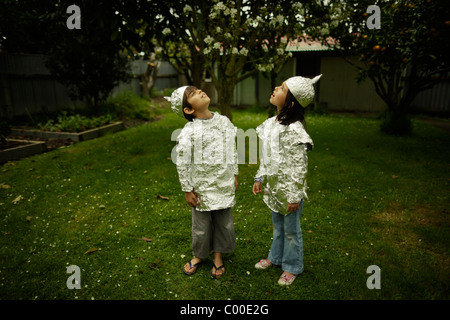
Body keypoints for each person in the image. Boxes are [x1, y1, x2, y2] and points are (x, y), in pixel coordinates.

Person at [252, 75, 321, 286]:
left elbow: (300, 167)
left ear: (291, 102)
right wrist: (260, 176)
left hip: (290, 191)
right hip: (274, 188)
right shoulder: (271, 124)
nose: (275, 88)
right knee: (277, 227)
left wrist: (294, 196)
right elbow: (267, 155)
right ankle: (276, 257)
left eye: (281, 88)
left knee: (291, 230)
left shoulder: (294, 130)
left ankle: (292, 266)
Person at [165, 86, 238, 279]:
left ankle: (218, 255)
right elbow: (182, 161)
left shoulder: (224, 122)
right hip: (201, 187)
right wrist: (187, 189)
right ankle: (199, 255)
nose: (200, 91)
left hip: (222, 181)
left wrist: (234, 173)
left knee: (223, 222)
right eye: (193, 94)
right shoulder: (189, 131)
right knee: (201, 226)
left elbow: (231, 149)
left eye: (198, 89)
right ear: (188, 110)